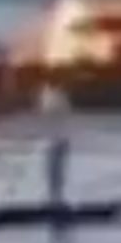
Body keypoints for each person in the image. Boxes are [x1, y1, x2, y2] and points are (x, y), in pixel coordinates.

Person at [37, 79, 73, 209]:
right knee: (53, 172)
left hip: (58, 142)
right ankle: (55, 199)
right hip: (54, 142)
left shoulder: (55, 97)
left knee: (55, 172)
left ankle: (56, 199)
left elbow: (52, 111)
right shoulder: (55, 97)